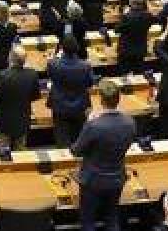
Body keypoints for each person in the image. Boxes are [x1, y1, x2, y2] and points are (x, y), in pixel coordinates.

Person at [71, 79, 138, 231]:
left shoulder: (94, 125)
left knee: (88, 222)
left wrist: (88, 122)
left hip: (93, 180)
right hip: (117, 179)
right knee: (112, 218)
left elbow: (76, 150)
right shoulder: (130, 122)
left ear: (101, 99)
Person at [0, 46, 42, 150]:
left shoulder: (1, 76)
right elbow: (35, 96)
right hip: (23, 121)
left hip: (3, 122)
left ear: (10, 58)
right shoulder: (32, 74)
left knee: (1, 154)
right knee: (20, 153)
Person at [47, 34, 95, 146]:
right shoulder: (85, 66)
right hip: (79, 106)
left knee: (62, 141)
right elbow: (90, 83)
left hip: (60, 106)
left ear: (62, 48)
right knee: (78, 140)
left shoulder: (53, 64)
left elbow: (51, 77)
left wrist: (55, 57)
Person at [116, 0, 153, 74]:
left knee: (124, 76)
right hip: (141, 49)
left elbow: (117, 30)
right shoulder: (148, 16)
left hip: (126, 50)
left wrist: (125, 14)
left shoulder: (127, 16)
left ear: (130, 2)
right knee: (139, 76)